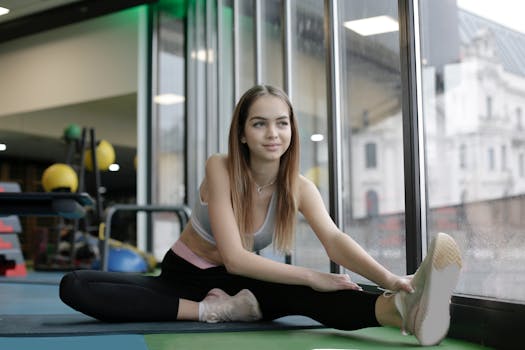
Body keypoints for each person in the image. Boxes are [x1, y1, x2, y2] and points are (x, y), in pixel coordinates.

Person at [60, 85, 462, 346]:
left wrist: (390, 279)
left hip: (242, 284)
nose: (273, 133)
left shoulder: (299, 186)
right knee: (76, 285)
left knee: (308, 295)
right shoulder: (219, 167)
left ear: (291, 131)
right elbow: (233, 256)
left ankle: (401, 310)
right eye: (260, 124)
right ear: (242, 133)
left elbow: (335, 239)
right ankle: (210, 312)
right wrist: (312, 274)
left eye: (282, 123)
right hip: (184, 278)